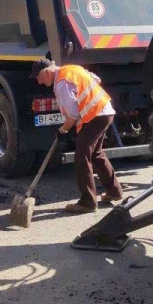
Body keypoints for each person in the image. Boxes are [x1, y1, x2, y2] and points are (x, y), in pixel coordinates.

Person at [31, 58, 123, 214]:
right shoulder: (72, 69)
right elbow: (96, 79)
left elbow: (73, 116)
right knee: (95, 154)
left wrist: (63, 130)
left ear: (47, 72)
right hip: (104, 111)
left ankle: (88, 202)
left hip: (96, 116)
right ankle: (114, 192)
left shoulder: (61, 83)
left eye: (39, 78)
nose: (39, 82)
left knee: (81, 156)